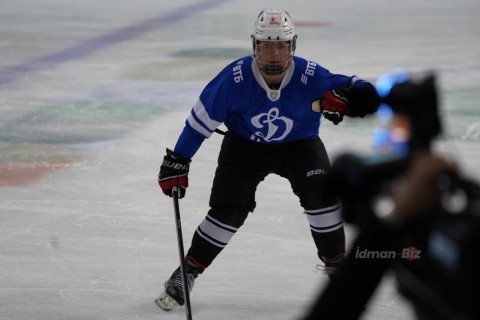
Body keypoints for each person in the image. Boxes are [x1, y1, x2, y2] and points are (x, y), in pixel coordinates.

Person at [156, 8, 379, 311]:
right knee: (229, 210)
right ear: (254, 46)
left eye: (281, 45)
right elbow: (199, 124)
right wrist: (179, 159)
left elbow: (365, 90)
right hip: (245, 148)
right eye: (266, 45)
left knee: (323, 200)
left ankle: (338, 270)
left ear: (292, 46)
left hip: (301, 147)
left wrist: (353, 98)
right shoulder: (233, 79)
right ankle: (188, 271)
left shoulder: (310, 76)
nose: (274, 54)